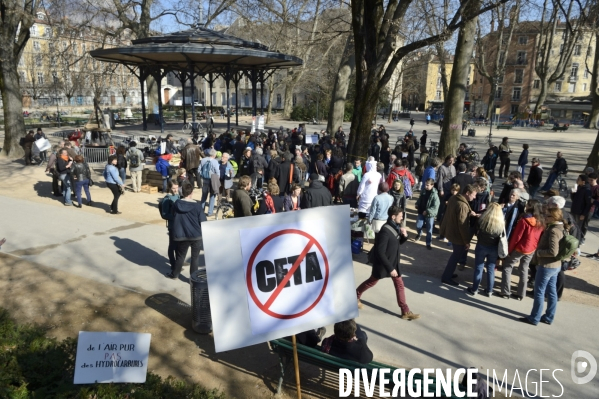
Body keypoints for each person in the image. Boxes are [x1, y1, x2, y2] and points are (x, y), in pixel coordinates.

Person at [356, 206, 420, 320]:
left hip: (393, 263)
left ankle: (405, 311)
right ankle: (355, 296)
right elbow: (380, 252)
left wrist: (405, 236)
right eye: (400, 216)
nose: (402, 218)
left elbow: (396, 244)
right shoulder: (385, 231)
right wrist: (390, 268)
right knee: (372, 282)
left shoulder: (395, 227)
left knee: (399, 284)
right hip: (384, 264)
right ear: (393, 216)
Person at [519, 207, 564, 326]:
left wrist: (538, 253)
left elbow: (553, 251)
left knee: (539, 292)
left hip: (547, 266)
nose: (544, 217)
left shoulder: (554, 231)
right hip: (555, 266)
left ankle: (534, 317)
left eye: (547, 216)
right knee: (552, 292)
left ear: (554, 217)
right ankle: (549, 317)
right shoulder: (561, 228)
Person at [499, 199, 544, 300]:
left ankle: (505, 291)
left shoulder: (524, 221)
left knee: (507, 267)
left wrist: (509, 250)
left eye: (527, 205)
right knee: (524, 269)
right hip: (531, 248)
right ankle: (521, 293)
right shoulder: (540, 221)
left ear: (530, 207)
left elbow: (516, 237)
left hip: (520, 248)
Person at [165, 182, 206, 279]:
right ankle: (193, 279)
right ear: (192, 192)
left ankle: (175, 274)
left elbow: (173, 215)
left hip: (182, 235)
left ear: (182, 192)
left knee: (180, 256)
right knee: (195, 258)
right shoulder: (197, 206)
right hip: (196, 235)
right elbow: (203, 221)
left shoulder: (176, 204)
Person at [440, 184, 478, 286]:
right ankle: (446, 277)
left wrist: (469, 212)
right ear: (467, 193)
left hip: (451, 230)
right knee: (456, 257)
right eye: (473, 195)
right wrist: (466, 241)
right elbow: (463, 225)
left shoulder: (454, 198)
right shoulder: (463, 206)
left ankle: (448, 273)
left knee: (454, 256)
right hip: (458, 235)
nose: (474, 197)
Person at [466, 203, 503, 297]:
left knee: (479, 267)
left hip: (482, 245)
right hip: (494, 248)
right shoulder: (501, 223)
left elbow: (475, 230)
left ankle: (474, 289)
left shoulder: (482, 220)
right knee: (491, 269)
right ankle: (489, 291)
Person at [414, 179, 440, 250]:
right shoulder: (423, 191)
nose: (426, 186)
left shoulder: (435, 195)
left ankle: (428, 243)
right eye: (425, 184)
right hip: (421, 212)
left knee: (429, 230)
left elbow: (436, 206)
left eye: (427, 185)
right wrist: (417, 204)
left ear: (432, 185)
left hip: (429, 215)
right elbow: (420, 199)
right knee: (418, 225)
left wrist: (428, 211)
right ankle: (419, 233)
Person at [162, 181, 180, 273]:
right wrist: (175, 217)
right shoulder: (166, 199)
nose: (176, 190)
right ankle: (173, 264)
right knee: (172, 246)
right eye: (173, 188)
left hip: (179, 226)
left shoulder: (178, 195)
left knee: (178, 246)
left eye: (177, 187)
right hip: (172, 226)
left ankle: (177, 263)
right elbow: (164, 214)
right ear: (169, 188)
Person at [570, 174, 592, 245]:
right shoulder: (579, 187)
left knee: (578, 228)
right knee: (572, 227)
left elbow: (588, 204)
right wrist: (573, 193)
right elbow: (574, 199)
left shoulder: (587, 190)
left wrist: (583, 214)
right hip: (574, 210)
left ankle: (577, 243)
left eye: (578, 179)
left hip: (580, 212)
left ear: (583, 182)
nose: (577, 180)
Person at [198, 149, 220, 216]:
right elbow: (217, 172)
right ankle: (210, 212)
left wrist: (202, 176)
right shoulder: (215, 162)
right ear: (214, 155)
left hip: (204, 179)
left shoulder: (203, 160)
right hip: (212, 180)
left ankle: (201, 211)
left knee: (204, 196)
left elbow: (199, 170)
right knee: (212, 196)